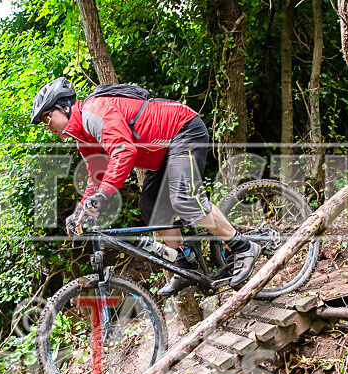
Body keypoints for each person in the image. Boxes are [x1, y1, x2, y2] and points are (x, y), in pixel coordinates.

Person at [30, 77, 260, 296]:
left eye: (47, 119)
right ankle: (186, 265)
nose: (47, 127)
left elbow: (123, 151)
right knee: (151, 208)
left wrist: (103, 195)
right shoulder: (83, 136)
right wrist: (81, 209)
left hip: (182, 130)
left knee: (184, 199)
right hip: (161, 154)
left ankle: (242, 246)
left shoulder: (95, 111)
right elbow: (96, 175)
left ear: (64, 108)